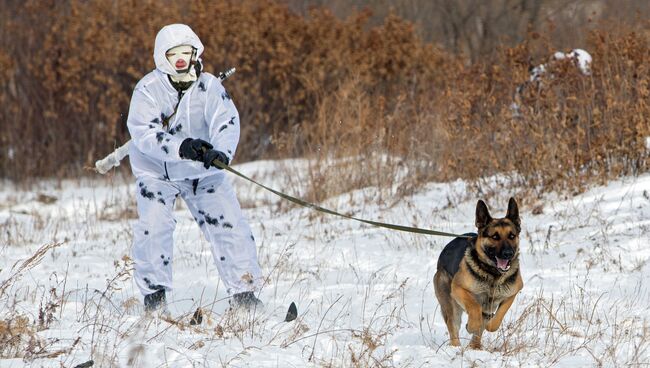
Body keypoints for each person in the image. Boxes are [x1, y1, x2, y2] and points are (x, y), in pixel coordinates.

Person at [126, 24, 263, 312]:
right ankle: (155, 298)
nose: (179, 59)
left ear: (195, 52)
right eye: (172, 53)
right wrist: (181, 147)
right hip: (157, 172)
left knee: (230, 225)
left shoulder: (209, 86)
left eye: (185, 52)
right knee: (154, 227)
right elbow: (144, 133)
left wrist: (221, 153)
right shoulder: (148, 90)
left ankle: (245, 295)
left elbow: (226, 121)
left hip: (203, 171)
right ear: (161, 56)